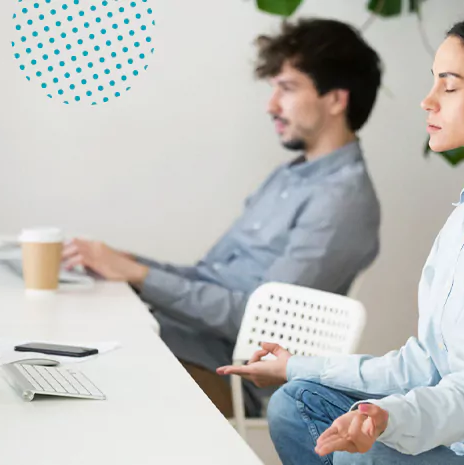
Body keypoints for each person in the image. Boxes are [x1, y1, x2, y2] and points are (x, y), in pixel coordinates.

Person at [218, 9, 464, 465]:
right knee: (295, 402)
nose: (428, 101)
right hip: (461, 441)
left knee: (357, 455)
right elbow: (423, 364)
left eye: (449, 85)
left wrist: (385, 417)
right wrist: (295, 365)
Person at [62, 18, 383, 418]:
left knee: (86, 372)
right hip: (186, 341)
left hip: (230, 376)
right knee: (63, 336)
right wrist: (128, 264)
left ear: (336, 100)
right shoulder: (289, 176)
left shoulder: (342, 202)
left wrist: (139, 276)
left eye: (287, 88)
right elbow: (209, 275)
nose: (271, 106)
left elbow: (259, 324)